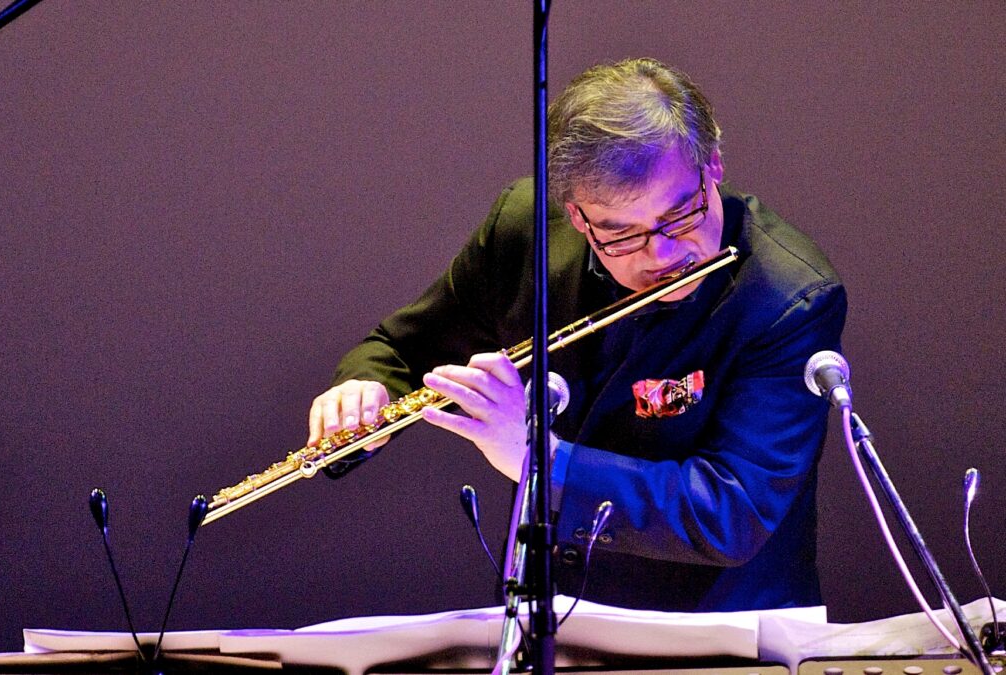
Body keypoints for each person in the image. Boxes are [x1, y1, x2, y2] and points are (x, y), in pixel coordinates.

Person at [307, 57, 846, 612]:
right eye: (620, 234)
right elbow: (401, 350)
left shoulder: (788, 296)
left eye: (681, 215)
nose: (661, 256)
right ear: (577, 216)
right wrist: (362, 388)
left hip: (721, 634)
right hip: (549, 618)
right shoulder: (528, 229)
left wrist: (540, 458)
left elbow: (729, 513)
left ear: (712, 166)